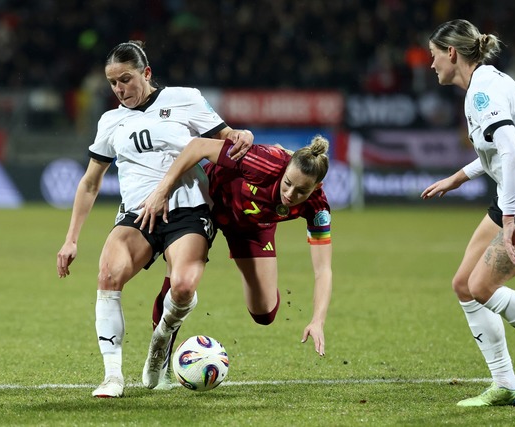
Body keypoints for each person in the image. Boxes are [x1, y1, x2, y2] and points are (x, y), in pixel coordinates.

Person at [56, 40, 253, 398]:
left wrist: (244, 134)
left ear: (146, 73)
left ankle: (161, 339)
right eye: (113, 83)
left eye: (126, 80)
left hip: (189, 209)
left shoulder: (186, 99)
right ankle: (113, 376)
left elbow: (228, 138)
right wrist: (71, 239)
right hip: (137, 214)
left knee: (182, 287)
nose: (119, 90)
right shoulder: (110, 121)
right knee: (108, 275)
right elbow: (90, 182)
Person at [421, 19, 515, 407]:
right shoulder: (487, 83)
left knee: (483, 286)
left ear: (451, 53)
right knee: (464, 284)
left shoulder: (483, 91)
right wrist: (458, 177)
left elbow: (514, 152)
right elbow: (503, 150)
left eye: (433, 56)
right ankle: (506, 383)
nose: (431, 65)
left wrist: (511, 220)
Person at [137, 134, 333, 385]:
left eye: (301, 191)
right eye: (287, 184)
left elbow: (323, 270)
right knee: (181, 280)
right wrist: (162, 190)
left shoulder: (318, 208)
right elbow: (199, 146)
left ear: (316, 188)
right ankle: (161, 352)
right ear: (284, 169)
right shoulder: (263, 161)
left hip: (251, 226)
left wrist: (318, 320)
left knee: (264, 313)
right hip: (207, 204)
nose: (290, 194)